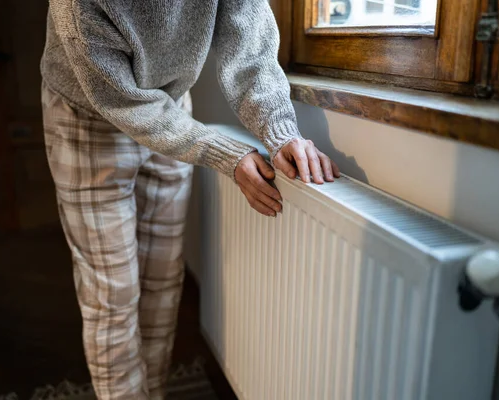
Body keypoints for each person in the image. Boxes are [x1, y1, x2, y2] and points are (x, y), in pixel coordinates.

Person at [41, 1, 340, 399]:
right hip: (87, 118)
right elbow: (122, 100)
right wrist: (225, 153)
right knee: (113, 296)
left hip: (172, 110)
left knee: (163, 281)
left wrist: (281, 130)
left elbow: (249, 47)